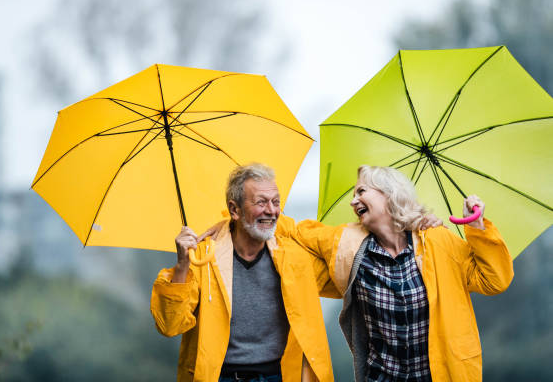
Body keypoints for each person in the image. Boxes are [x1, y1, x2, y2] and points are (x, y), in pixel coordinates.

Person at [290, 166, 514, 382]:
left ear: (389, 194)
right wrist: (263, 210)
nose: (353, 201)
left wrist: (476, 226)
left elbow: (494, 280)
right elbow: (296, 237)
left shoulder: (437, 240)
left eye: (361, 191)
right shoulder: (349, 247)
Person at [150, 163, 345, 382]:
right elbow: (170, 325)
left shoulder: (294, 257)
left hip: (279, 376)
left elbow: (343, 268)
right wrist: (183, 265)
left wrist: (283, 226)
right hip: (220, 377)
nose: (271, 210)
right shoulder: (202, 258)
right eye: (261, 202)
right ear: (234, 210)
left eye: (276, 202)